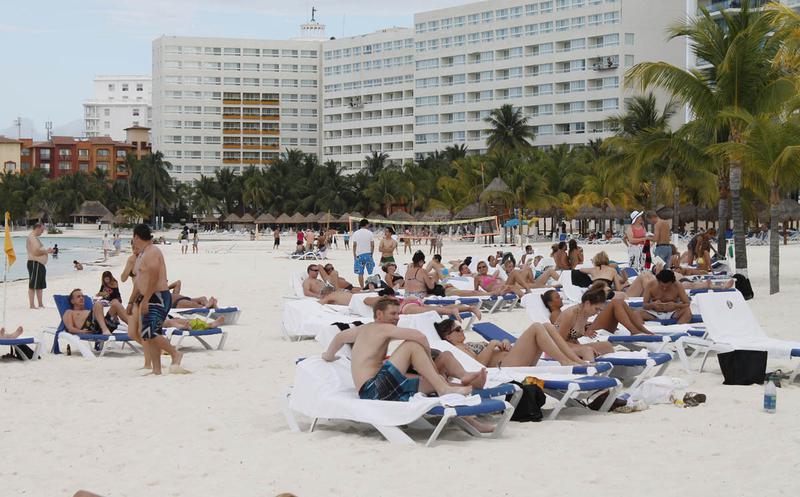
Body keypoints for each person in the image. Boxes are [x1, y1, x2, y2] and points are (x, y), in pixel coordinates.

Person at [321, 297, 475, 401]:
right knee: (411, 345)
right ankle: (443, 388)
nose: (397, 317)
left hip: (375, 389)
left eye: (397, 313)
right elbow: (419, 336)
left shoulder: (362, 330)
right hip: (373, 388)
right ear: (379, 314)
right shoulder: (383, 328)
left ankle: (472, 406)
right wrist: (431, 364)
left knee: (433, 382)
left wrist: (328, 356)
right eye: (393, 313)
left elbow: (339, 338)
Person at [131, 223, 189, 375]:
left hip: (157, 297)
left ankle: (175, 353)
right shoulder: (143, 253)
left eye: (133, 237)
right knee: (149, 334)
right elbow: (139, 280)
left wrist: (146, 299)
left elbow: (154, 276)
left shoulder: (152, 251)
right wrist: (132, 301)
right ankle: (156, 369)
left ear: (137, 236)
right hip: (149, 296)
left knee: (149, 332)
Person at [435, 318, 585, 367]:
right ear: (448, 337)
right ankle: (565, 362)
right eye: (458, 330)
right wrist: (493, 343)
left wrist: (504, 342)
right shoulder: (456, 350)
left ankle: (574, 359)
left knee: (547, 325)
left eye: (461, 328)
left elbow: (492, 348)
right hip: (506, 365)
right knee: (536, 327)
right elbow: (479, 364)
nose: (462, 331)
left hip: (512, 356)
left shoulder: (465, 345)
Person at [541, 285, 652, 336]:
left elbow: (573, 327)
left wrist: (585, 325)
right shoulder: (556, 314)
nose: (560, 298)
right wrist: (585, 330)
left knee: (618, 302)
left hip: (589, 329)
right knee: (616, 302)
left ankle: (640, 329)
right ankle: (636, 330)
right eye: (556, 297)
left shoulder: (566, 312)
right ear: (550, 303)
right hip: (589, 332)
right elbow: (566, 333)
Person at [550, 285, 617, 360]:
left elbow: (572, 336)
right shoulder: (570, 315)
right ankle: (589, 368)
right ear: (587, 303)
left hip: (571, 346)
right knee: (587, 351)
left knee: (607, 346)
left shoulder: (585, 313)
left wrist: (585, 332)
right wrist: (583, 348)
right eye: (596, 309)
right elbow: (560, 342)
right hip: (557, 348)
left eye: (599, 310)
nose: (597, 312)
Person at [63, 288, 129, 336]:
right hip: (90, 328)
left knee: (115, 302)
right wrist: (83, 332)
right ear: (72, 301)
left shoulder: (89, 310)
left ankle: (135, 328)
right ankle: (104, 330)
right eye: (78, 297)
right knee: (97, 303)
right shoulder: (69, 312)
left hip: (103, 325)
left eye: (82, 296)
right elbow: (70, 328)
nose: (81, 298)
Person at [26, 223, 52, 309]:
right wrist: (46, 251)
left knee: (40, 285)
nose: (42, 232)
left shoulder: (35, 238)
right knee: (33, 284)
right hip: (35, 263)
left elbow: (38, 250)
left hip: (39, 264)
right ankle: (32, 305)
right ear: (37, 228)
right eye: (42, 230)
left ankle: (40, 303)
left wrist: (46, 251)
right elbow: (35, 252)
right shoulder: (32, 237)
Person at [351, 219, 375, 288]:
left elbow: (354, 245)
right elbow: (372, 245)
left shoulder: (356, 233)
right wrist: (371, 254)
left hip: (359, 255)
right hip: (368, 254)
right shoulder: (370, 233)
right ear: (366, 224)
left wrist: (354, 255)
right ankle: (371, 286)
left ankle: (362, 287)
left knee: (360, 273)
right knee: (371, 272)